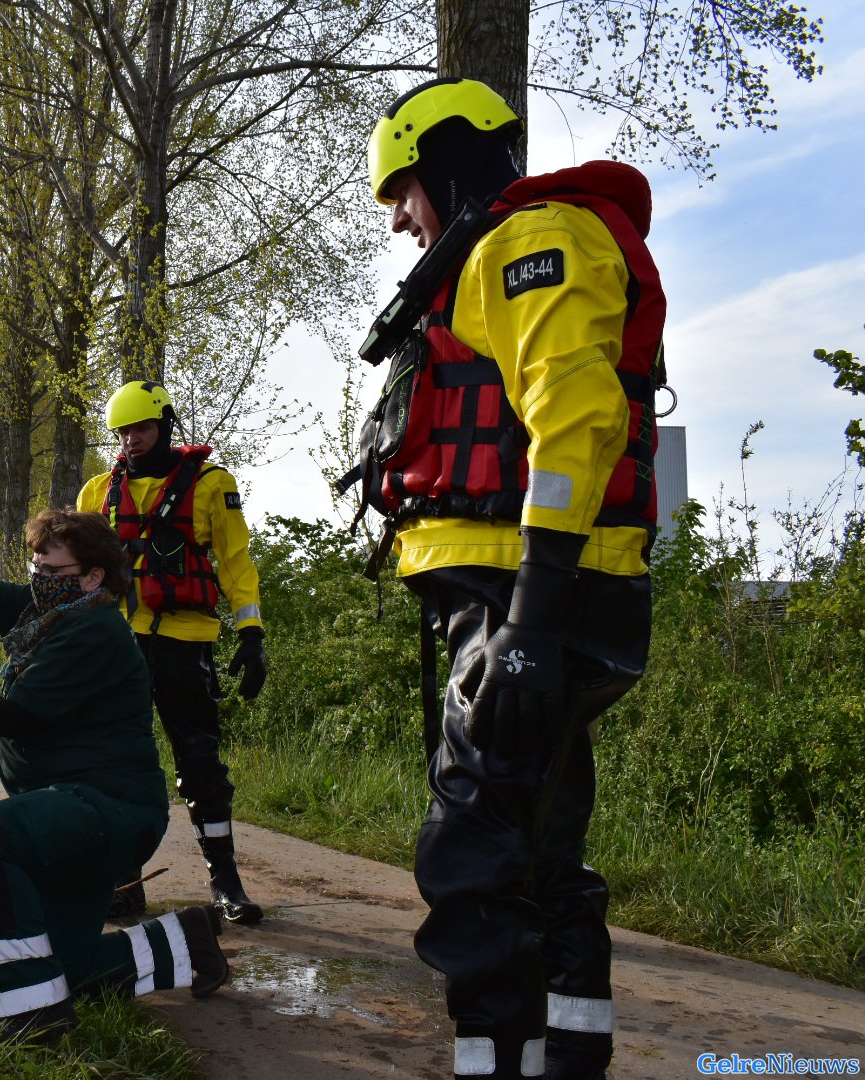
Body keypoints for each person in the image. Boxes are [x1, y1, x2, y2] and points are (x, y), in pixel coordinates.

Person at [358, 78, 665, 1080]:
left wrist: (530, 616)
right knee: (539, 846)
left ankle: (498, 1060)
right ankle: (568, 1055)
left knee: (472, 858)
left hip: (525, 595)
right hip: (531, 595)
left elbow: (576, 416)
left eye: (403, 190)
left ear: (445, 159)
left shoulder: (533, 243)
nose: (402, 218)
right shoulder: (495, 253)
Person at [0, 508, 229, 1043]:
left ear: (92, 576)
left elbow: (20, 718)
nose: (38, 579)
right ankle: (190, 942)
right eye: (35, 567)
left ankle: (33, 1017)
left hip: (106, 813)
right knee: (67, 968)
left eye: (50, 571)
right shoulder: (49, 609)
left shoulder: (94, 629)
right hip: (77, 816)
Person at [75, 381, 267, 925]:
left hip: (186, 643)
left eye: (141, 428)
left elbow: (234, 561)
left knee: (201, 763)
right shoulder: (98, 492)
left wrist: (252, 633)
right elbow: (69, 568)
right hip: (118, 646)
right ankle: (124, 880)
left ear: (164, 426)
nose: (132, 440)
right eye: (123, 432)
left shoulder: (210, 484)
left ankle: (225, 880)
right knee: (116, 764)